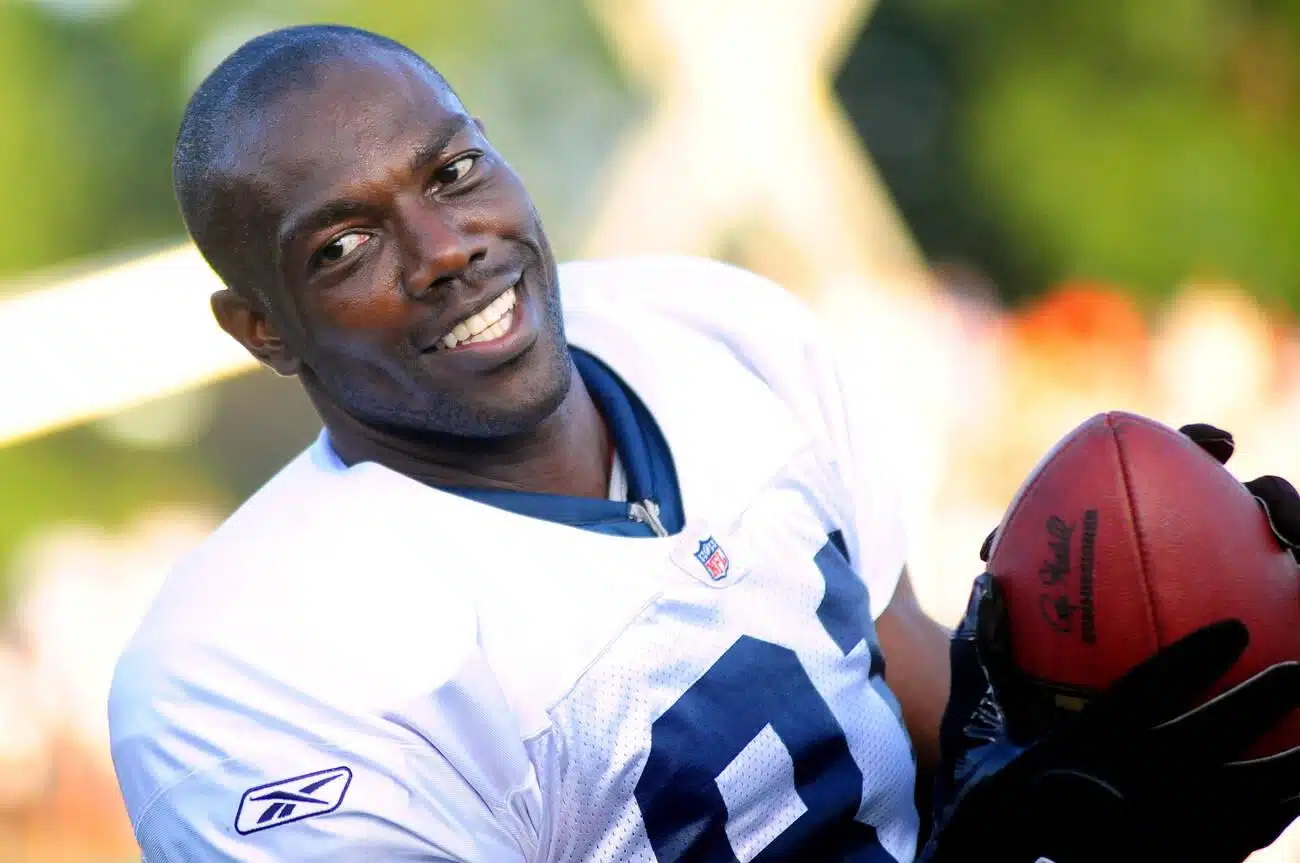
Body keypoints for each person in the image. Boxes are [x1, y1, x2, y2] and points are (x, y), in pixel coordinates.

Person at [107, 24, 1300, 862]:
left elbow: (919, 691)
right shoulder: (246, 672)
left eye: (456, 169)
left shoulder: (719, 331)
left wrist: (1081, 712)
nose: (447, 245)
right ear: (260, 325)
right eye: (344, 246)